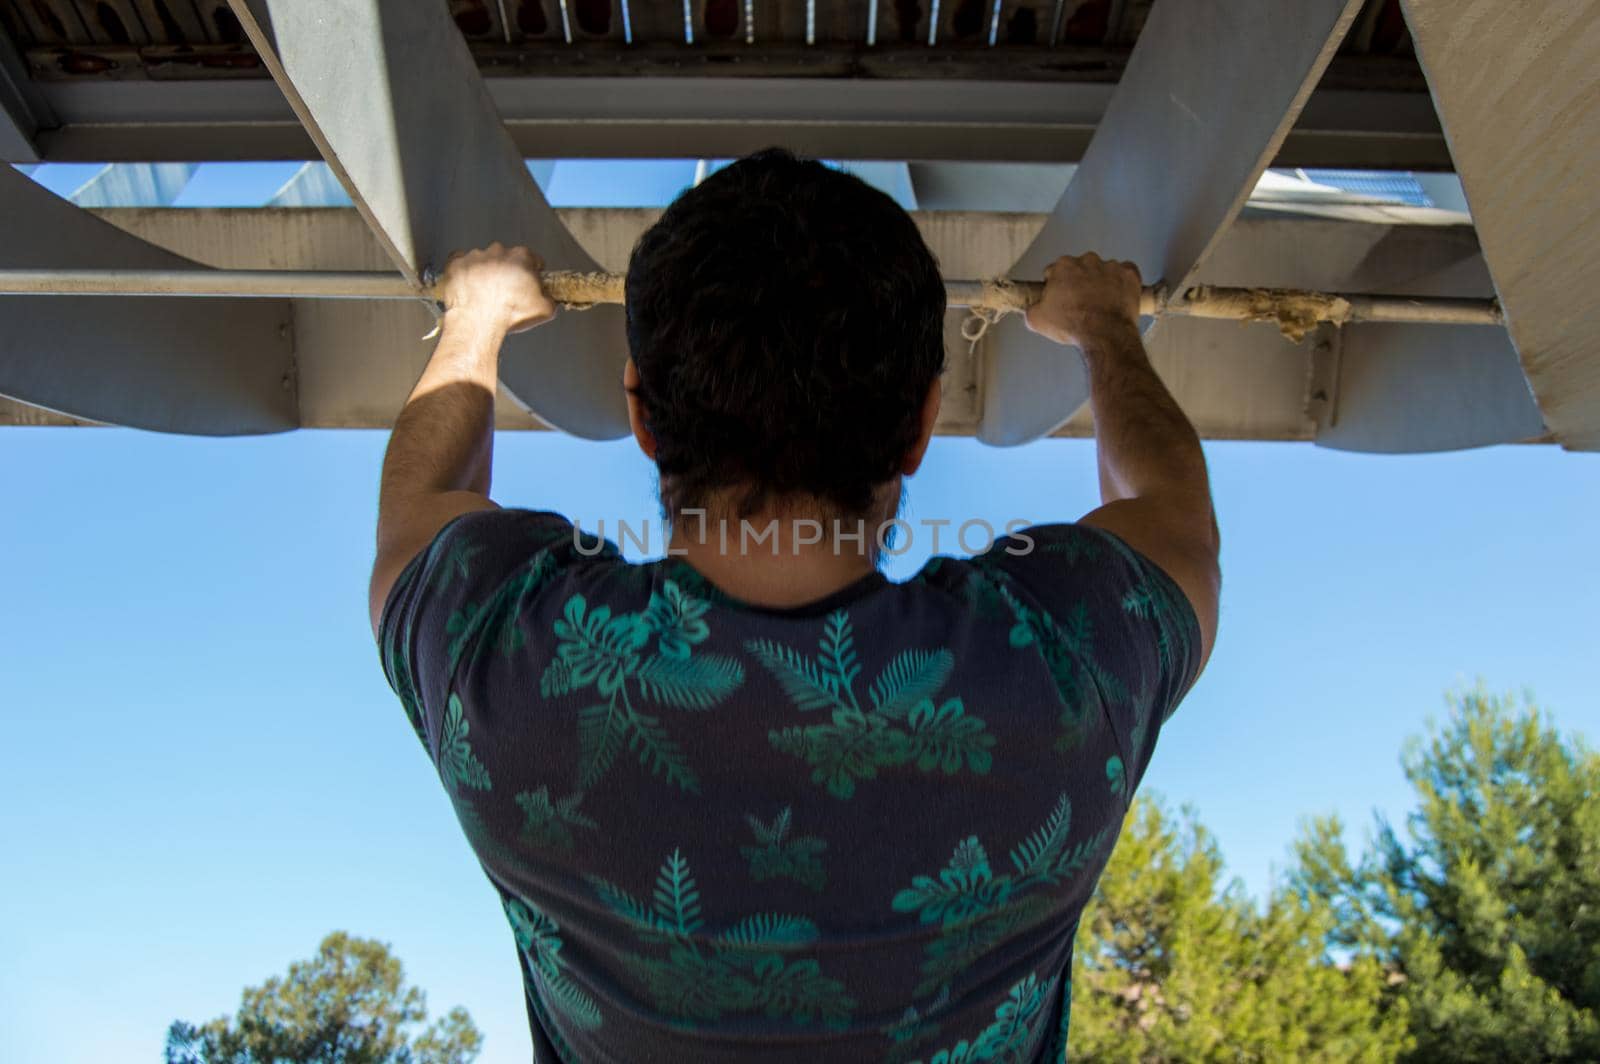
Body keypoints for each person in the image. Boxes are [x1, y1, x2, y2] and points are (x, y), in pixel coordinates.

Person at [371, 149, 1219, 1063]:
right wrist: (1104, 329)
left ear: (643, 418)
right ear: (922, 427)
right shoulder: (1061, 669)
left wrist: (476, 320)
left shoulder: (505, 669)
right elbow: (1175, 520)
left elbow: (415, 514)